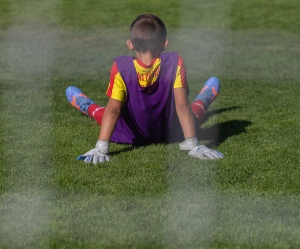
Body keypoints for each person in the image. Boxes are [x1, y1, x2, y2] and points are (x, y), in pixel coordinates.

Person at [66, 13, 223, 164]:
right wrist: (193, 143)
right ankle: (205, 97)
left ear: (130, 44)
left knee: (104, 114)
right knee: (192, 116)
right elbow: (182, 105)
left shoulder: (121, 67)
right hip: (169, 131)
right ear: (165, 44)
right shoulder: (176, 62)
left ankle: (87, 105)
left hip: (129, 135)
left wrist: (101, 147)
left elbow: (113, 110)